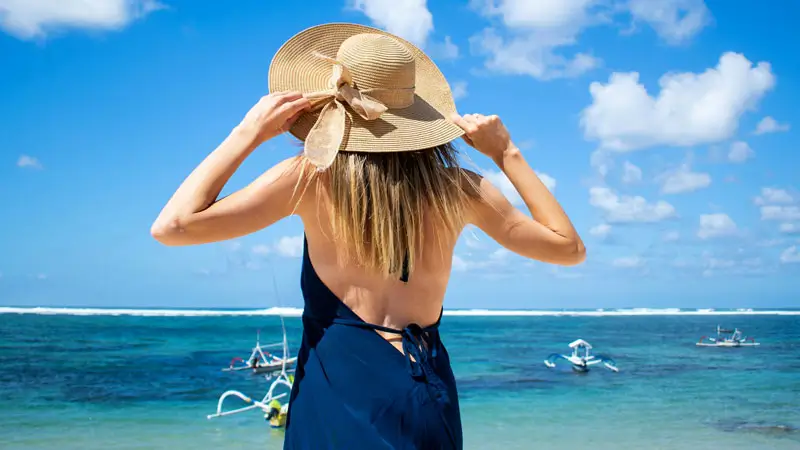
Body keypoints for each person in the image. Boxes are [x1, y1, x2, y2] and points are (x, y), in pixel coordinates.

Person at [151, 23, 585, 450]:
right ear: (416, 113)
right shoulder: (461, 189)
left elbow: (172, 227)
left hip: (334, 389)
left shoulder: (308, 179)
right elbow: (568, 249)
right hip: (423, 384)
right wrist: (507, 154)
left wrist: (247, 134)